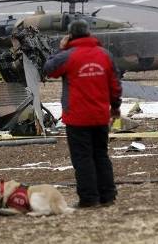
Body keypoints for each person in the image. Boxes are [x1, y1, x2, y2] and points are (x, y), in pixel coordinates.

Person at [44, 19, 122, 208]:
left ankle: (89, 199)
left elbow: (48, 70)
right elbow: (115, 84)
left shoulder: (68, 56)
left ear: (70, 35)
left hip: (77, 119)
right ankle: (108, 196)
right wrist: (115, 107)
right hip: (100, 117)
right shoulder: (104, 55)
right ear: (89, 33)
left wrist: (62, 49)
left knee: (83, 158)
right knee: (101, 155)